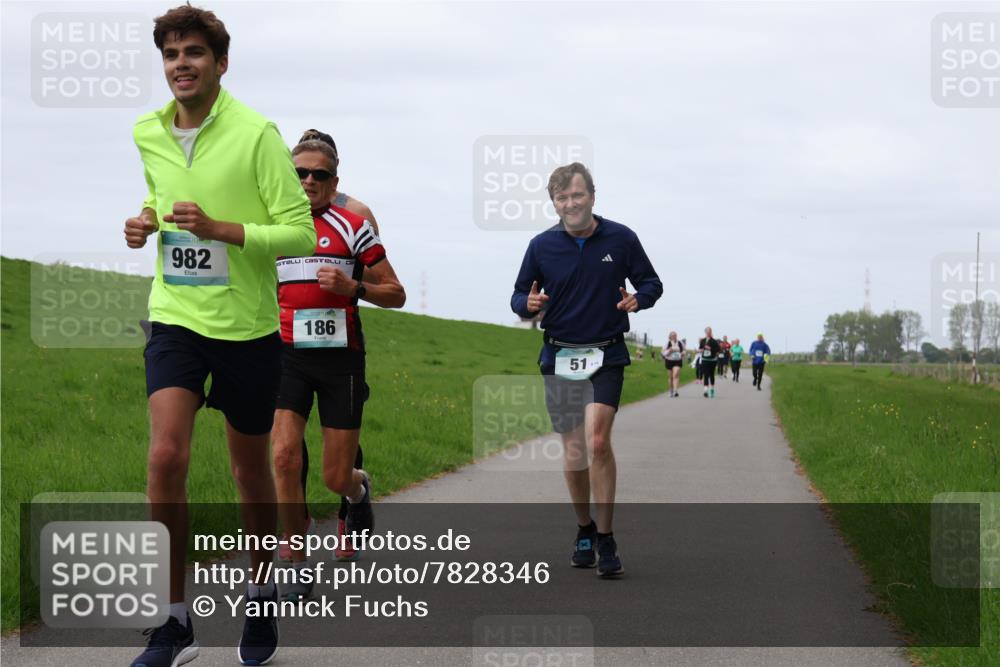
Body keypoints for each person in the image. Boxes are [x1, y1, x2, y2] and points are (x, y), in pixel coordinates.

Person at [124, 6, 315, 666]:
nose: (182, 62)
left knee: (248, 471)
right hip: (175, 315)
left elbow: (299, 232)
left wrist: (223, 230)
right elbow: (158, 193)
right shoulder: (146, 132)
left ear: (220, 63)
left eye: (195, 52)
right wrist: (145, 221)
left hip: (248, 328)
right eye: (172, 53)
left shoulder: (258, 134)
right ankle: (173, 620)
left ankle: (259, 593)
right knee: (164, 457)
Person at [511, 162, 662, 578]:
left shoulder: (621, 238)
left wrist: (638, 299)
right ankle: (583, 528)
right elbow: (519, 294)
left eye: (577, 195)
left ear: (592, 196)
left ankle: (607, 539)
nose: (571, 203)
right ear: (554, 203)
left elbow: (652, 283)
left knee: (597, 441)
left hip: (606, 354)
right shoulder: (542, 246)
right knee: (575, 449)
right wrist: (529, 304)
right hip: (559, 355)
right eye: (562, 198)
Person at [271, 136, 405, 602]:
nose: (308, 181)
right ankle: (297, 561)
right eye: (300, 173)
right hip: (286, 354)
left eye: (319, 175)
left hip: (340, 358)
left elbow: (395, 292)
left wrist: (352, 286)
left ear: (334, 181)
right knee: (284, 456)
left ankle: (358, 490)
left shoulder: (353, 224)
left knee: (334, 475)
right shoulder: (272, 226)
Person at [698, 327, 721, 398]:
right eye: (707, 332)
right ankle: (705, 390)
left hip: (712, 360)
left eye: (709, 331)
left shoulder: (714, 341)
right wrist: (700, 350)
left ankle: (712, 389)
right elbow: (700, 348)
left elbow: (718, 350)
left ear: (711, 332)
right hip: (705, 360)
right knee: (706, 375)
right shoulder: (703, 341)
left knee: (711, 375)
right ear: (705, 332)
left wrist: (710, 349)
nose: (708, 333)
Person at [661, 332, 685, 397]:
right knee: (670, 377)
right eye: (672, 335)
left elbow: (684, 350)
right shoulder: (667, 343)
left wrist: (683, 353)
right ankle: (671, 391)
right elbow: (663, 353)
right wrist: (670, 350)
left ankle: (675, 391)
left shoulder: (680, 343)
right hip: (669, 361)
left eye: (675, 335)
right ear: (670, 336)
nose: (674, 336)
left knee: (676, 375)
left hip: (678, 361)